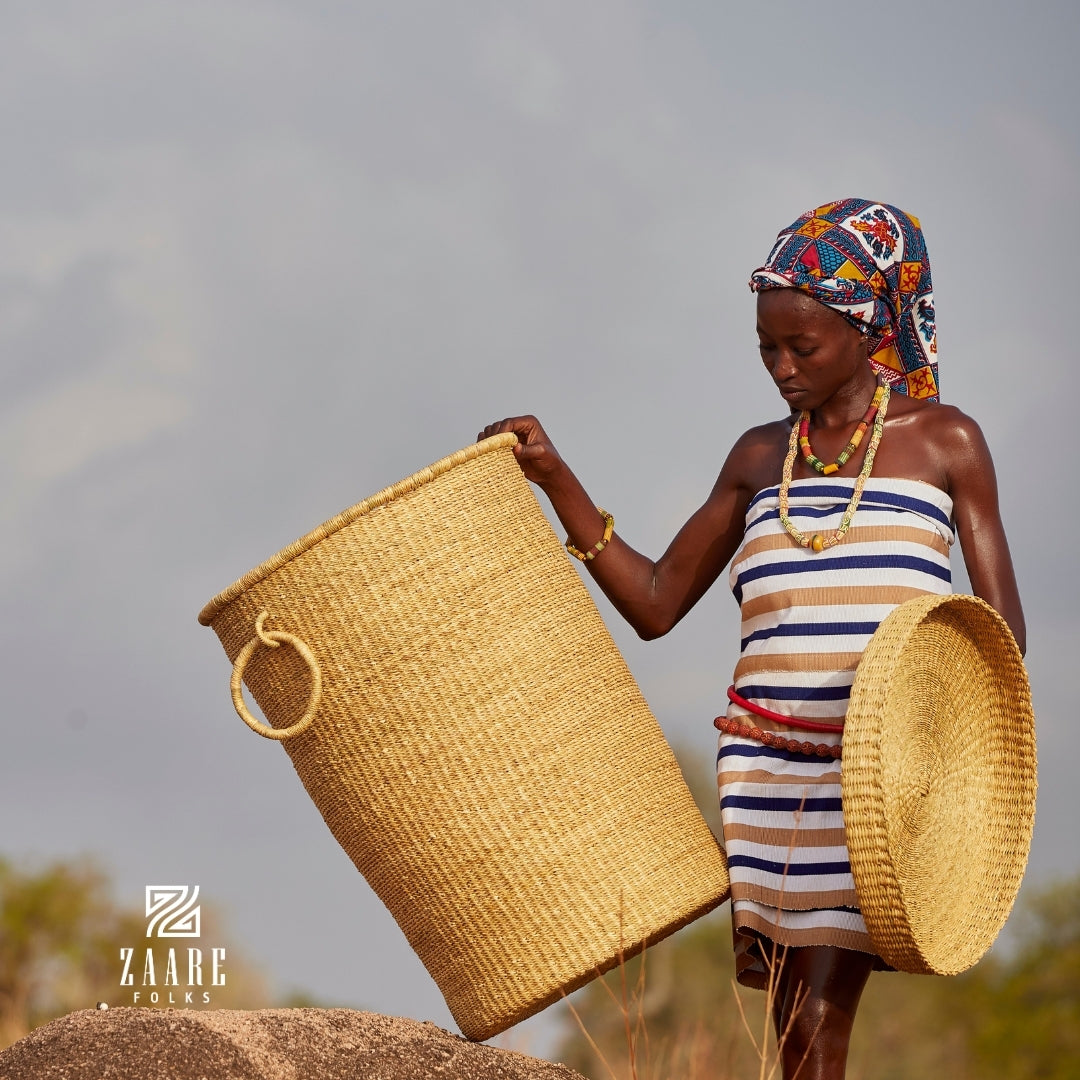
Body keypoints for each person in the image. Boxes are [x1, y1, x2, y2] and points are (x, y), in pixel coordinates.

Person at [479, 197, 1024, 1080]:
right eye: (766, 347)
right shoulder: (757, 456)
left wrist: (948, 752)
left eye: (800, 347)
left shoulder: (945, 442)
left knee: (814, 1020)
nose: (780, 366)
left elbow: (1000, 640)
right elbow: (657, 603)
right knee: (794, 1028)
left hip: (871, 786)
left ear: (866, 327)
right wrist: (556, 479)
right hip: (763, 778)